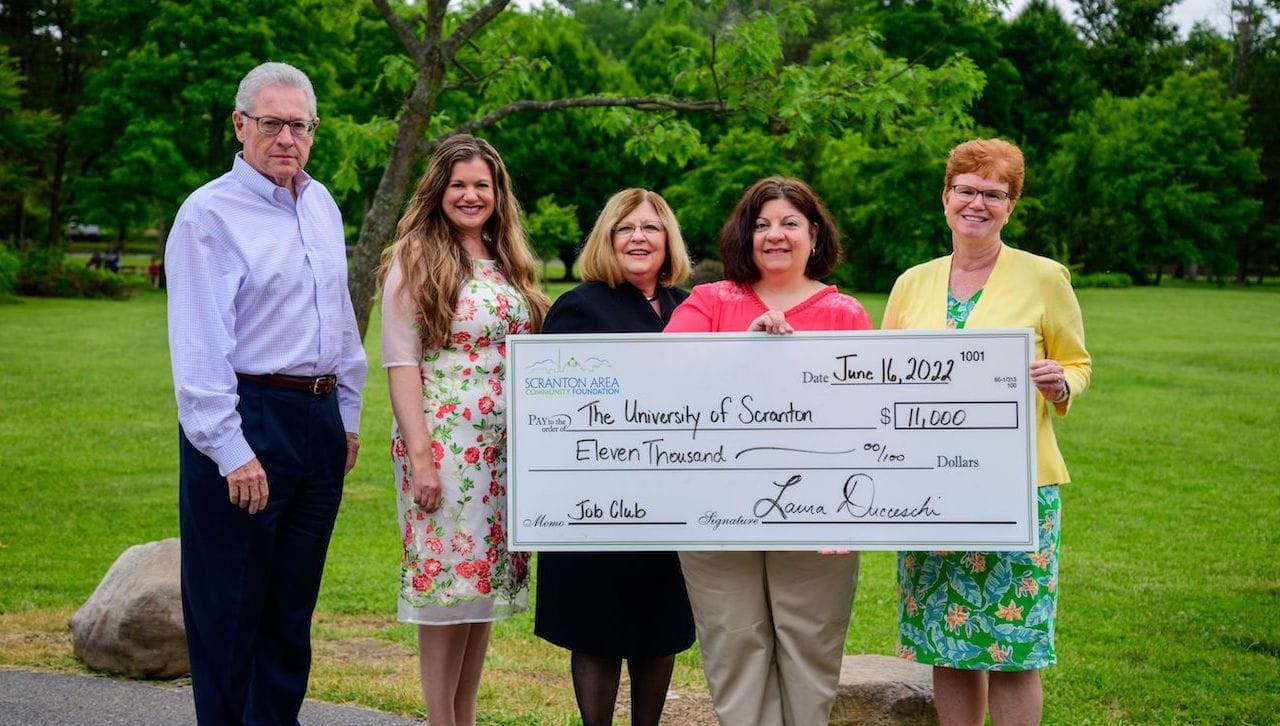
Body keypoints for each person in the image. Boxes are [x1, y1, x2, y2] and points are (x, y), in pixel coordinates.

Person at [166, 61, 367, 725]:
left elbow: (339, 318)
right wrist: (230, 449)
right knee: (230, 613)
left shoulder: (321, 203)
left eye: (299, 125)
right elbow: (199, 350)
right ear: (240, 124)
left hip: (316, 419)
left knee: (289, 612)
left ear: (314, 130)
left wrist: (347, 417)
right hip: (247, 421)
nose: (287, 137)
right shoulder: (208, 216)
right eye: (272, 123)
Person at [883, 138, 1091, 726]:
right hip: (927, 493)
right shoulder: (911, 283)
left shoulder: (1046, 278)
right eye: (966, 190)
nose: (978, 203)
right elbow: (882, 380)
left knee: (1013, 648)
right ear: (945, 198)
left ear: (1010, 205)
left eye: (993, 194)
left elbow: (1078, 363)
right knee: (947, 645)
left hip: (1018, 489)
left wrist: (1059, 384)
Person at [664, 176, 870, 726]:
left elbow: (864, 417)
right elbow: (662, 376)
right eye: (761, 224)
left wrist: (846, 515)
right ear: (744, 235)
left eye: (788, 223)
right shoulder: (709, 302)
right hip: (714, 509)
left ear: (814, 233)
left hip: (818, 511)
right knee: (733, 644)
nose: (774, 235)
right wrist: (742, 348)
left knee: (811, 647)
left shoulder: (844, 313)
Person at [379, 134, 549, 726]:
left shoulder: (508, 260)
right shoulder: (415, 255)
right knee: (448, 585)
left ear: (498, 194)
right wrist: (421, 456)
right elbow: (401, 361)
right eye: (459, 185)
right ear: (438, 191)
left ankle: (464, 716)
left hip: (503, 452)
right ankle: (438, 719)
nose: (471, 195)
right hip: (447, 446)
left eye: (482, 185)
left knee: (480, 588)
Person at [533, 189, 697, 726]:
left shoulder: (686, 307)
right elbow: (554, 408)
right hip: (594, 500)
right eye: (625, 229)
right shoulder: (580, 306)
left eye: (650, 228)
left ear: (667, 239)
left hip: (670, 500)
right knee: (596, 629)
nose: (638, 238)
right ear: (607, 239)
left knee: (659, 628)